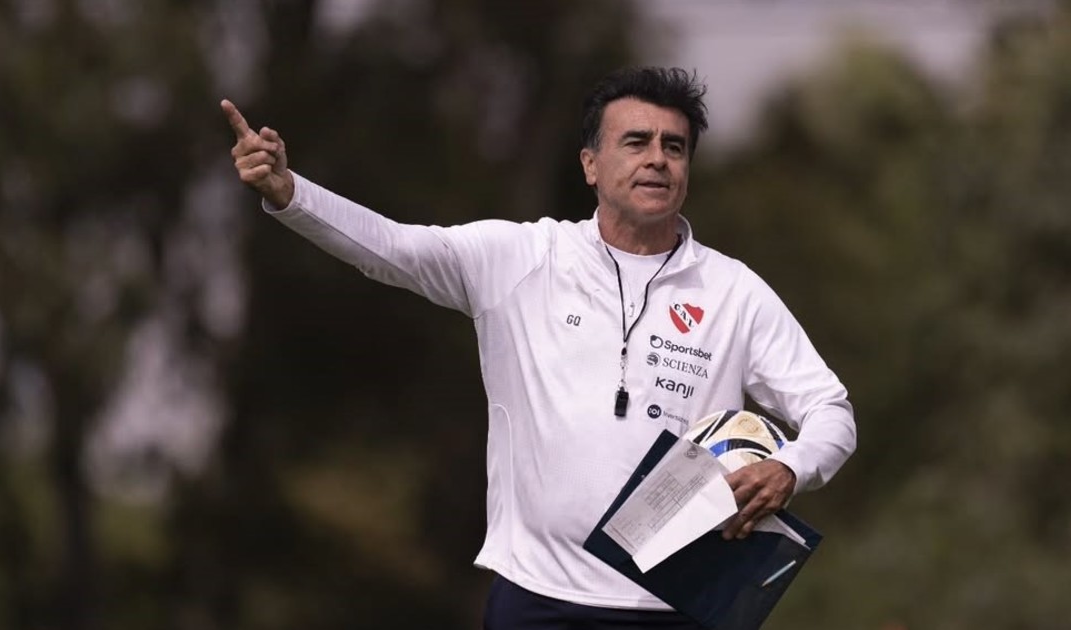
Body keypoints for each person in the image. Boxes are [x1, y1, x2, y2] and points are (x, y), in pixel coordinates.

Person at [222, 66, 856, 629]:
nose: (658, 159)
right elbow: (392, 248)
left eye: (675, 146)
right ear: (590, 164)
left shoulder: (734, 291)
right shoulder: (522, 258)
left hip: (679, 607)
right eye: (636, 142)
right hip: (538, 600)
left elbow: (831, 410)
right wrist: (290, 193)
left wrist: (790, 468)